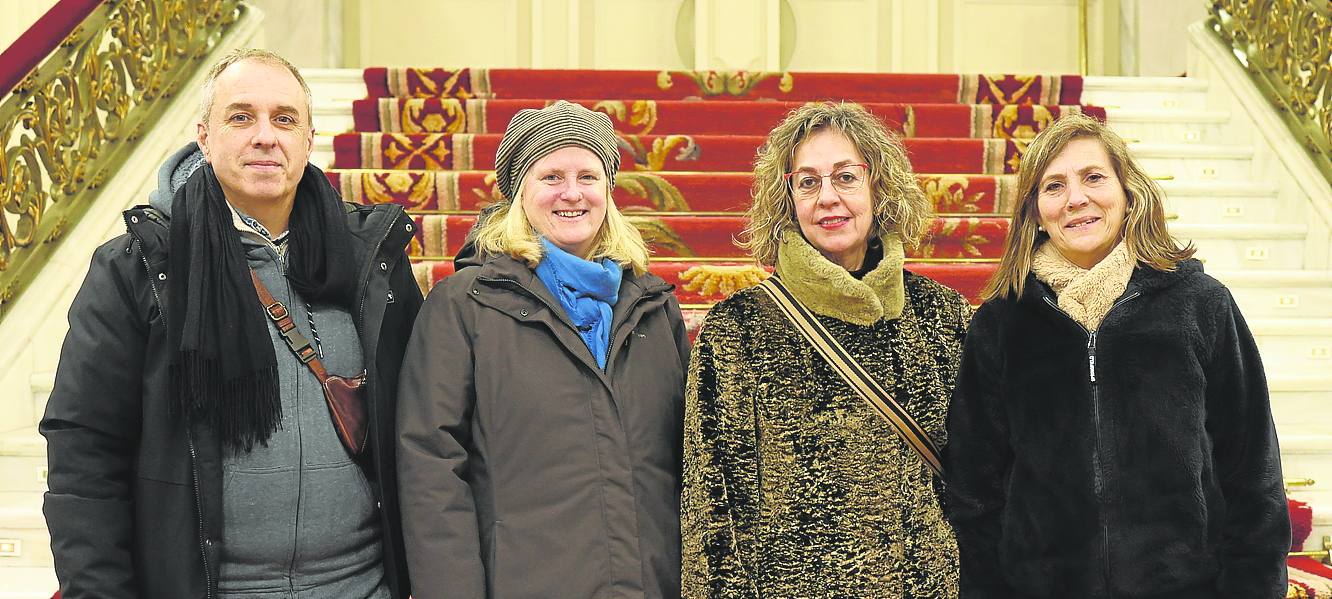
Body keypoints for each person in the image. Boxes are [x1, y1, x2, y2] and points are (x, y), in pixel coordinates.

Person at [41, 49, 421, 598]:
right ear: (204, 136)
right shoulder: (140, 267)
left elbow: (421, 430)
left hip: (360, 586)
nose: (265, 136)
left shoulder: (370, 260)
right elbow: (85, 450)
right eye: (241, 117)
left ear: (308, 139)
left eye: (284, 118)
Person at [944, 113, 1290, 597]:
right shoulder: (1000, 325)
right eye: (1053, 186)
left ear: (1128, 193)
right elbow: (975, 491)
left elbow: (1254, 472)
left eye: (1093, 177)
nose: (1076, 199)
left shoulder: (1200, 304)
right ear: (1033, 212)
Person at [396, 100, 690, 598]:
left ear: (609, 191)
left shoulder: (654, 308)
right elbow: (430, 464)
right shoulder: (465, 305)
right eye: (550, 176)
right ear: (519, 193)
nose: (572, 193)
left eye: (588, 176)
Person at [681, 102, 971, 597]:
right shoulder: (738, 328)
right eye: (808, 182)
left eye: (846, 177)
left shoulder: (942, 316)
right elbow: (712, 504)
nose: (828, 198)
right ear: (787, 199)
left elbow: (981, 482)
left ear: (879, 187)